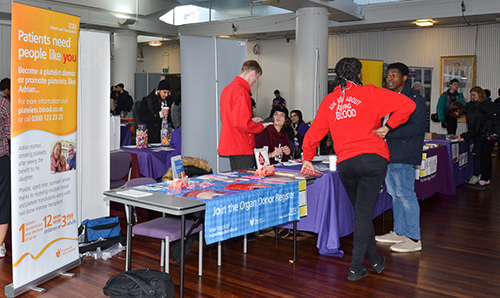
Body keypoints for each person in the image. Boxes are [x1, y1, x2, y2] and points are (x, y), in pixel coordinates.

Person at [301, 57, 416, 281]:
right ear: (359, 75)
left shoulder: (330, 101)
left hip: (347, 163)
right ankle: (355, 268)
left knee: (361, 213)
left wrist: (307, 157)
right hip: (373, 159)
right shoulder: (371, 93)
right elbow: (408, 105)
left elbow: (315, 132)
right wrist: (388, 127)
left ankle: (374, 260)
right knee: (363, 214)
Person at [375, 63, 426, 253]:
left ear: (405, 78)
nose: (389, 79)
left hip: (404, 154)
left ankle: (413, 238)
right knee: (395, 195)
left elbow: (418, 128)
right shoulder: (388, 98)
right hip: (388, 153)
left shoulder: (414, 99)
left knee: (406, 195)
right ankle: (399, 232)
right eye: (388, 75)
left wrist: (388, 131)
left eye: (394, 75)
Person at [218, 60, 272, 171]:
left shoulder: (227, 89)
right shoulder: (242, 91)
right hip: (241, 144)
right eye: (256, 78)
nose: (254, 82)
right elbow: (242, 123)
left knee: (236, 181)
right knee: (246, 183)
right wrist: (261, 126)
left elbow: (228, 117)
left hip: (231, 144)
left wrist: (251, 120)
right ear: (252, 73)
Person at [451, 86, 497, 190]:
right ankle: (486, 178)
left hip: (486, 134)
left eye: (474, 95)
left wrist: (464, 137)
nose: (472, 97)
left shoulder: (473, 110)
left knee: (483, 156)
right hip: (489, 134)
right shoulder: (481, 106)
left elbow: (474, 128)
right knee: (486, 156)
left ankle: (483, 178)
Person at [0, 78, 10, 258]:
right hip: (1, 159)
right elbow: (11, 132)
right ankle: (0, 245)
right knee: (2, 201)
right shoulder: (3, 103)